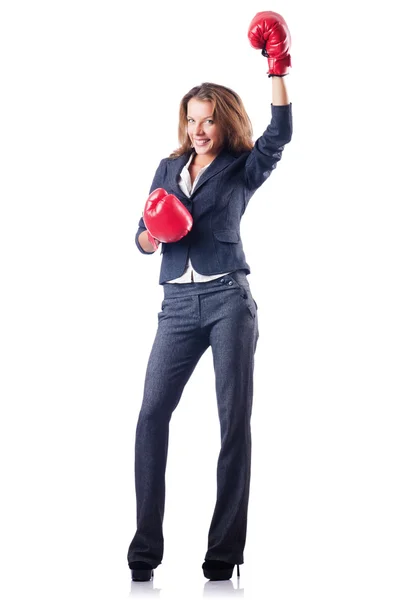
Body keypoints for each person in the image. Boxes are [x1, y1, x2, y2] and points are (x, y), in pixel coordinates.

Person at [127, 11, 293, 583]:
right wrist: (156, 231)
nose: (198, 129)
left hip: (228, 301)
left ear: (224, 123)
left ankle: (224, 550)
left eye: (208, 121)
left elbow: (280, 136)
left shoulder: (242, 168)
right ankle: (144, 549)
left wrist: (278, 67)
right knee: (151, 415)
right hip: (176, 306)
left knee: (232, 423)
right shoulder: (167, 167)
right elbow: (142, 239)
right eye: (191, 120)